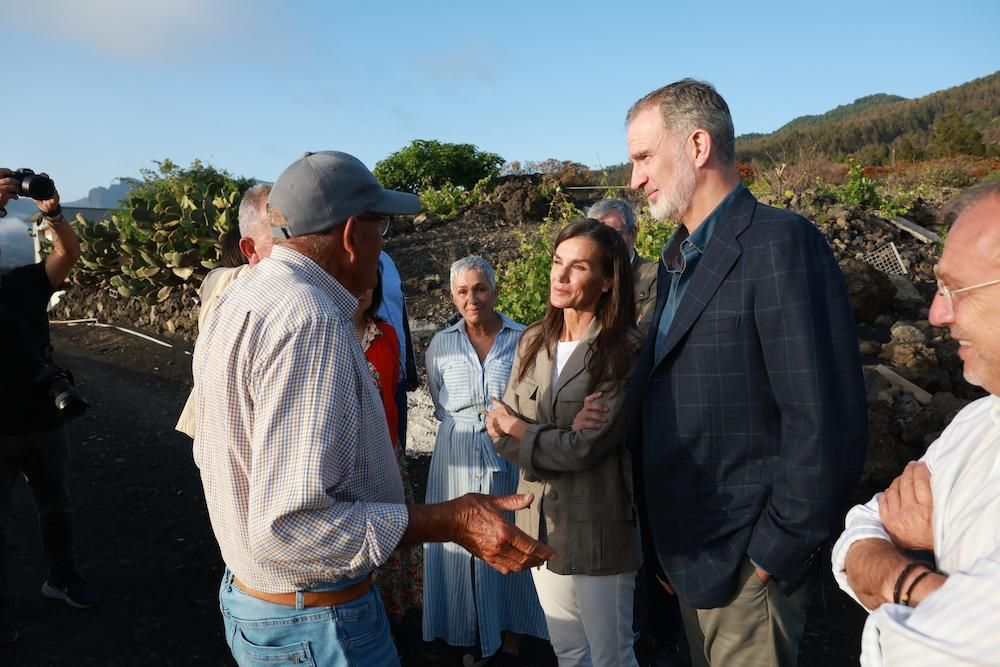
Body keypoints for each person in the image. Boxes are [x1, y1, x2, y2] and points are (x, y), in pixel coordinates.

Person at [192, 150, 553, 667]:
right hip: (318, 624)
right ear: (349, 235)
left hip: (258, 602)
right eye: (381, 226)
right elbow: (290, 527)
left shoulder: (242, 294)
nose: (384, 241)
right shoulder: (310, 321)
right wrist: (447, 521)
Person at [623, 79, 868, 666]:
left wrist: (771, 554)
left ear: (698, 146)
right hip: (686, 559)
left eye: (643, 157)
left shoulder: (780, 243)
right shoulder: (678, 258)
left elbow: (824, 419)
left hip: (745, 570)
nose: (634, 180)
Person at [833, 181, 1000, 665]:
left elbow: (910, 652)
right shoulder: (977, 420)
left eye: (954, 289)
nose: (936, 312)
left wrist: (903, 576)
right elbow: (857, 532)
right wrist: (928, 588)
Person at [486, 219, 643, 667]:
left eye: (577, 268)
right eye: (558, 263)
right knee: (569, 651)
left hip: (599, 526)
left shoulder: (623, 350)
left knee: (612, 656)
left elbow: (586, 449)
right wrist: (550, 434)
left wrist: (521, 429)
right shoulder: (534, 340)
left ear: (608, 280)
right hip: (541, 522)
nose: (560, 276)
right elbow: (498, 435)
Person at [423, 255, 547, 665]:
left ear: (494, 291)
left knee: (507, 537)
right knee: (460, 542)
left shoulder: (523, 338)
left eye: (479, 288)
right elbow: (442, 402)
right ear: (453, 297)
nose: (472, 298)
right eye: (462, 291)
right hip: (454, 456)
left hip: (507, 458)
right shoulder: (441, 343)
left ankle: (509, 640)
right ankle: (465, 636)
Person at [0, 167, 97, 645]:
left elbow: (68, 254)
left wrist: (52, 211)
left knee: (57, 506)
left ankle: (62, 577)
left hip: (42, 413)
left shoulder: (23, 283)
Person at [350, 270, 423, 621]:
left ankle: (392, 614)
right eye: (356, 285)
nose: (363, 291)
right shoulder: (327, 334)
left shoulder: (388, 335)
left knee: (392, 532)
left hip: (386, 452)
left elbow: (392, 393)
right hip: (347, 461)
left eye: (369, 286)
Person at [175, 183, 272, 439]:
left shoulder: (212, 278)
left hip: (209, 389)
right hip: (232, 397)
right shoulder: (233, 279)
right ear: (247, 251)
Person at [587, 198, 658, 333]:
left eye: (614, 235)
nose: (605, 243)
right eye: (598, 236)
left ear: (633, 234)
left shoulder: (654, 275)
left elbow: (644, 334)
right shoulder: (586, 273)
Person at [374, 251, 420, 450]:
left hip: (396, 379)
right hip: (369, 382)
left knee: (397, 453)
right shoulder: (334, 258)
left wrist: (408, 368)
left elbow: (398, 314)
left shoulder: (385, 259)